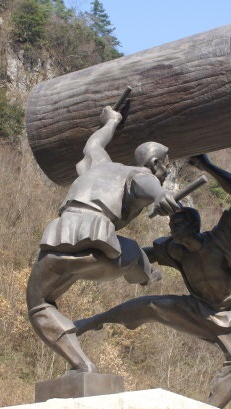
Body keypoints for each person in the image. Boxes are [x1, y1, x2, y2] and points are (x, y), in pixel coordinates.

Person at [75, 154, 231, 408]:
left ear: (193, 225)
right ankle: (90, 322)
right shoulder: (174, 250)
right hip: (198, 309)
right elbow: (141, 255)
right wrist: (101, 251)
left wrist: (206, 165)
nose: (172, 229)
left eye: (178, 224)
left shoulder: (222, 239)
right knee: (150, 305)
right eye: (171, 225)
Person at [26, 105, 181, 375]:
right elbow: (143, 182)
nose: (168, 171)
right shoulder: (141, 175)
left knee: (38, 304)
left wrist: (111, 121)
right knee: (132, 252)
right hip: (98, 241)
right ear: (156, 164)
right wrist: (158, 194)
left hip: (60, 240)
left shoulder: (100, 164)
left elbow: (94, 144)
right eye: (167, 166)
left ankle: (81, 365)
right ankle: (146, 274)